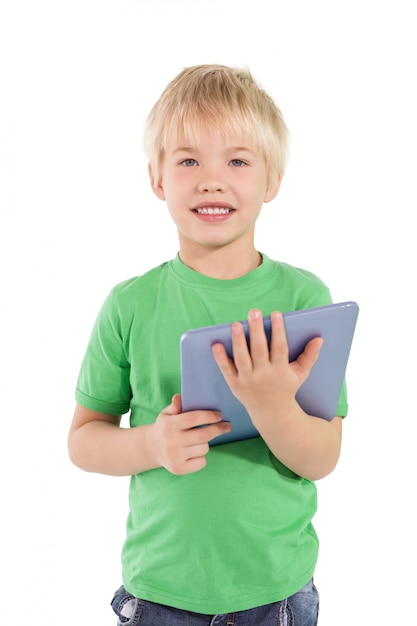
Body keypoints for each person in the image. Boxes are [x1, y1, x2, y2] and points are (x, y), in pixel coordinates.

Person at [68, 64, 346, 626]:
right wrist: (151, 445)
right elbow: (83, 440)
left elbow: (322, 457)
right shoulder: (130, 304)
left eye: (237, 161)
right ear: (157, 179)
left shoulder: (305, 298)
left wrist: (271, 407)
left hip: (277, 595)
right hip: (160, 595)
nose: (211, 180)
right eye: (189, 160)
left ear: (272, 180)